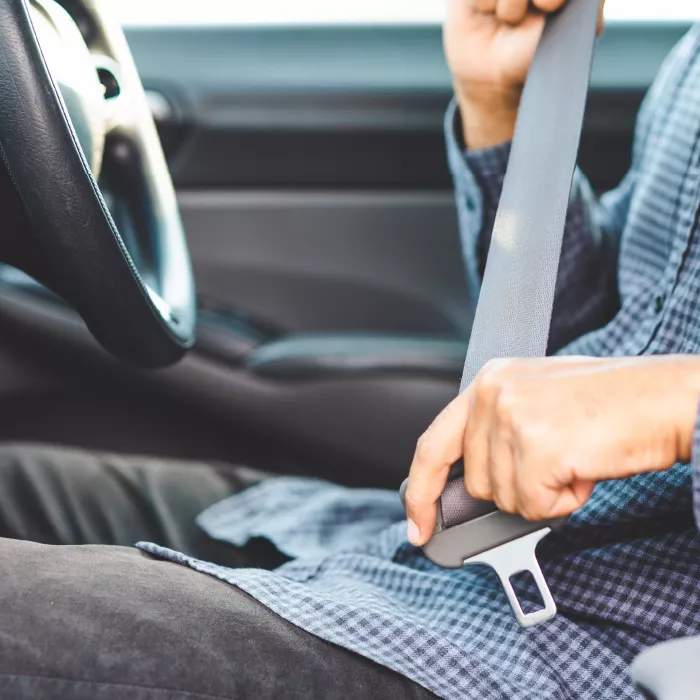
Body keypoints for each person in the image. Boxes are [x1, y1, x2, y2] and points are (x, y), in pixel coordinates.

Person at [2, 0, 700, 698]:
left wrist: (673, 407)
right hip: (438, 547)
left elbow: (639, 396)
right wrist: (507, 112)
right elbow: (599, 341)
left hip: (592, 651)